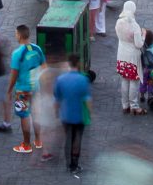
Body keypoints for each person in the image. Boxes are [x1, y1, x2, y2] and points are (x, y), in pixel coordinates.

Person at [8, 24, 45, 155]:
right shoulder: (37, 48)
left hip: (23, 90)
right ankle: (39, 141)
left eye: (15, 33)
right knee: (36, 114)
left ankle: (26, 144)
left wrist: (9, 90)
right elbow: (44, 66)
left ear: (19, 35)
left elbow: (14, 74)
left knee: (24, 116)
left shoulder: (17, 53)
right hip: (36, 88)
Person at [54, 54, 92, 175]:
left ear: (69, 64)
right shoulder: (83, 79)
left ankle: (68, 163)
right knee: (77, 139)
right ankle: (74, 164)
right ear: (78, 64)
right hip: (79, 115)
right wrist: (90, 113)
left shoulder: (61, 79)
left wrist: (56, 113)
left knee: (68, 138)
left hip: (65, 115)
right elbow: (87, 99)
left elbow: (57, 99)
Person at [113, 0, 146, 114]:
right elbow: (139, 44)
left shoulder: (118, 22)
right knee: (134, 81)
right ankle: (134, 106)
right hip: (132, 57)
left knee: (124, 80)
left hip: (121, 54)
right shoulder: (134, 26)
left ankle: (125, 105)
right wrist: (144, 36)